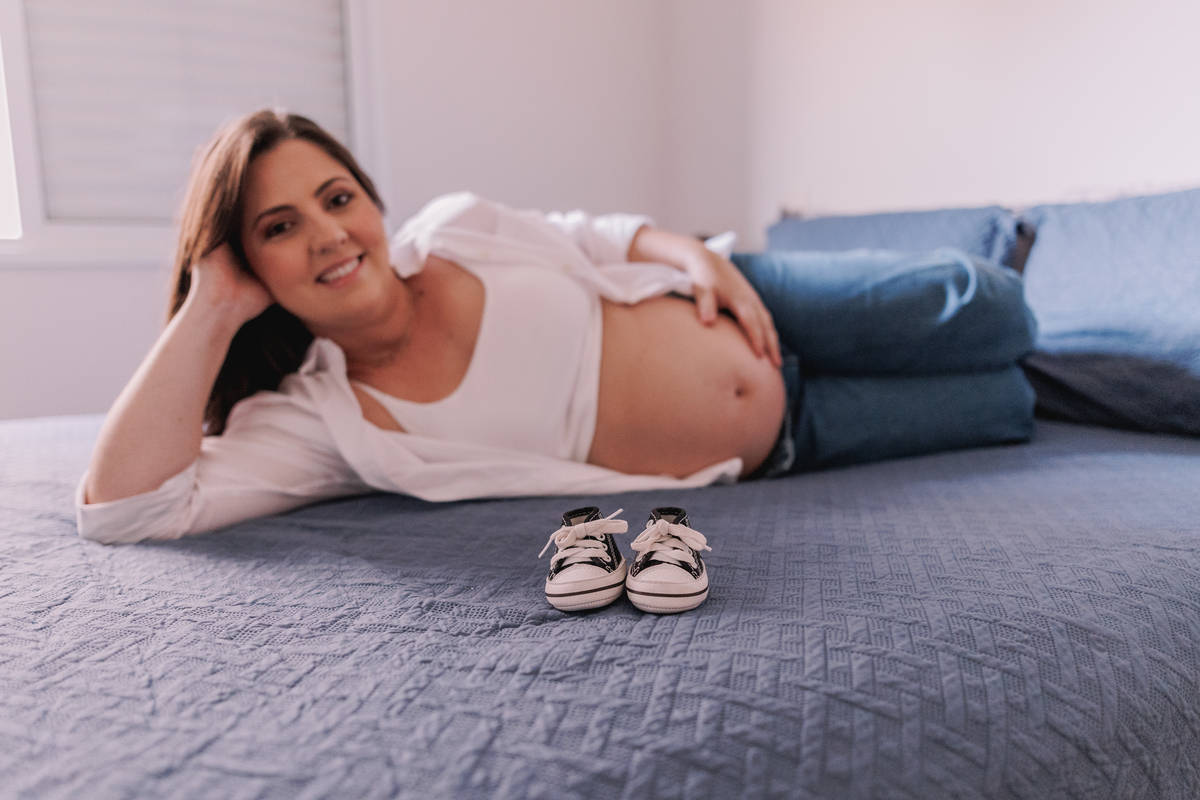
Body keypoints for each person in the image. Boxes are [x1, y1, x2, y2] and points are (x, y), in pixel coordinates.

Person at [77, 110, 1036, 605]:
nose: (328, 235)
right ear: (248, 262)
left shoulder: (457, 231)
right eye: (279, 227)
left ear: (369, 198)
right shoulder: (321, 423)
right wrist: (210, 307)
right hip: (785, 446)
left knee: (991, 309)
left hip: (754, 302)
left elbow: (595, 233)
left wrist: (689, 251)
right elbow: (127, 510)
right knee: (1004, 405)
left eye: (336, 198)